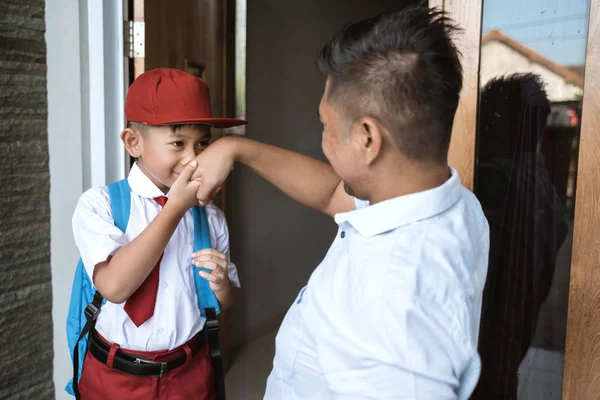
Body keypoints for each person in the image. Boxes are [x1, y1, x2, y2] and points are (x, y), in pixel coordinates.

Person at [191, 5, 489, 399]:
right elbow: (334, 192)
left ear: (367, 138)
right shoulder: (445, 202)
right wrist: (236, 148)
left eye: (325, 125)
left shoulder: (395, 299)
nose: (323, 139)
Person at [70, 68, 246, 399]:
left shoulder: (211, 217)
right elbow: (114, 287)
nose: (193, 159)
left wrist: (222, 284)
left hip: (190, 373)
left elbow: (227, 298)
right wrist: (175, 208)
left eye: (202, 144)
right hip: (114, 376)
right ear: (133, 142)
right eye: (178, 143)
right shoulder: (100, 205)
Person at [472, 73, 568, 399]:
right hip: (513, 340)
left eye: (484, 120)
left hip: (484, 344)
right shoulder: (542, 182)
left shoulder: (492, 180)